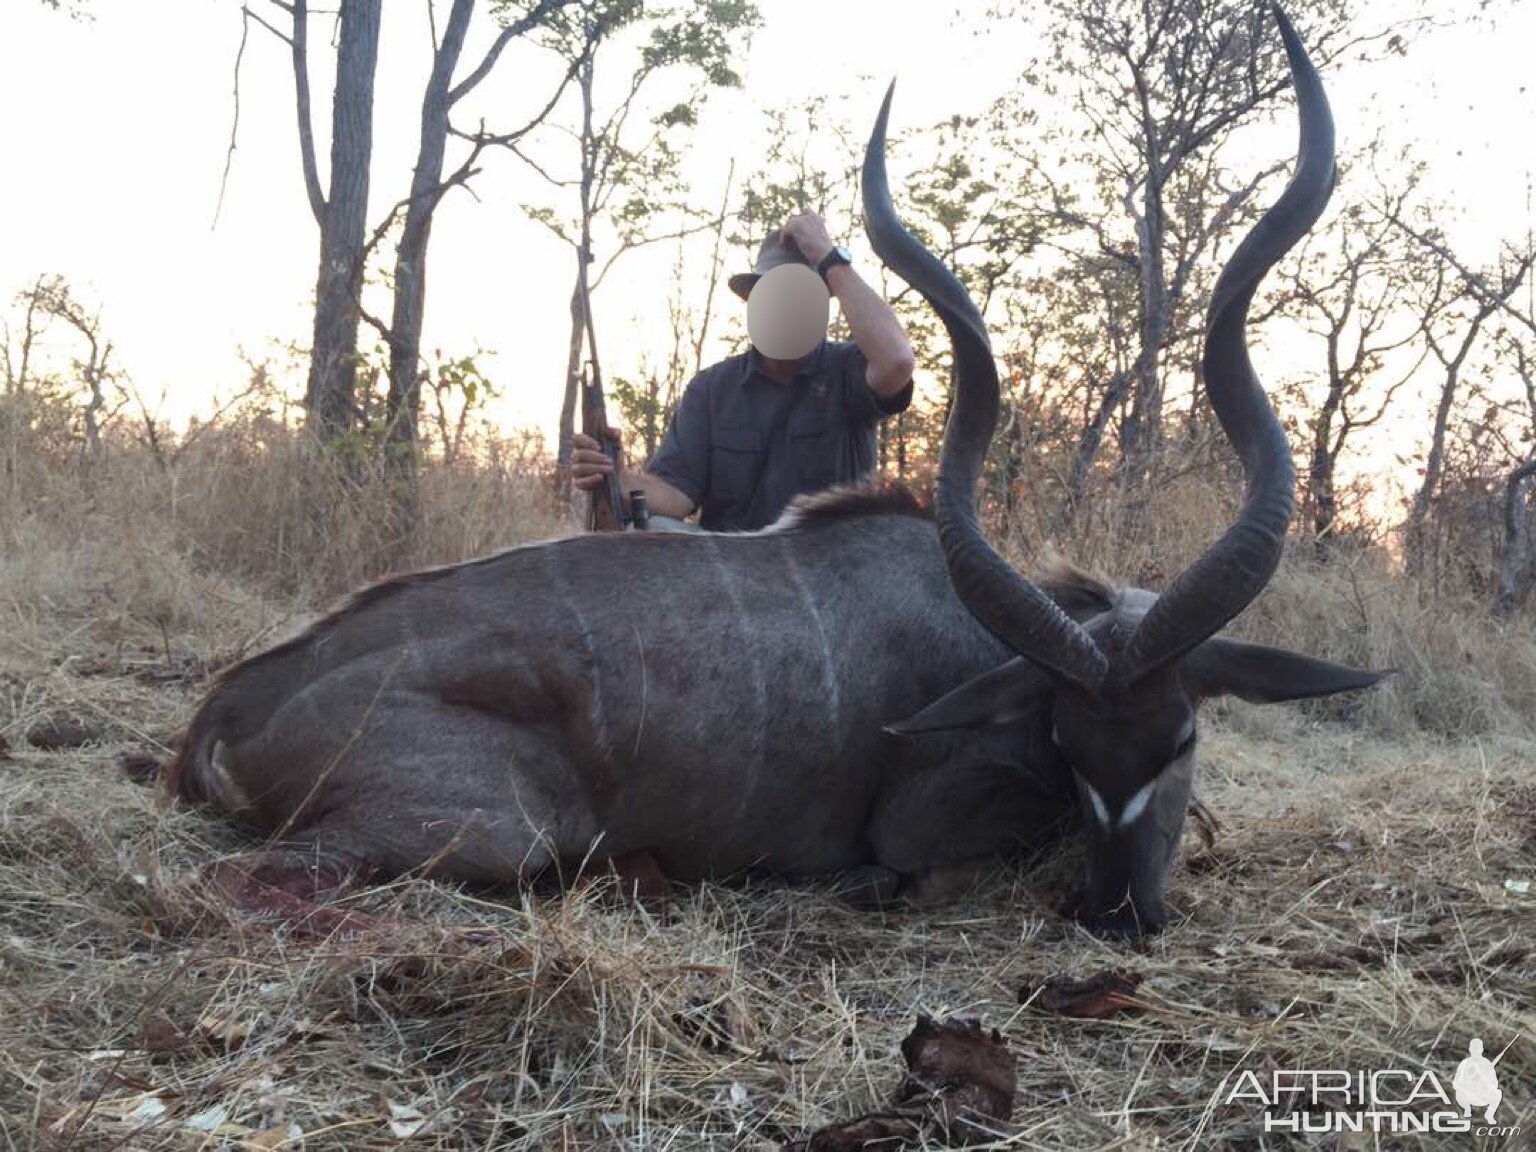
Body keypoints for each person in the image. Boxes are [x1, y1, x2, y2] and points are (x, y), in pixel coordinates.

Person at [571, 212, 916, 531]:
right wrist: (617, 476)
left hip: (830, 573)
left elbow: (898, 361)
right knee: (646, 531)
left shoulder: (849, 370)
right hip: (734, 575)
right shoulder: (711, 388)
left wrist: (829, 258)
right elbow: (675, 497)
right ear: (753, 299)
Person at [1452, 1038, 1503, 1123]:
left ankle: (1489, 1115)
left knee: (1497, 1094)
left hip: (1481, 1094)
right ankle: (1467, 1110)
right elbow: (1456, 1082)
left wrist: (1485, 1083)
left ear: (1482, 1049)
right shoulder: (1465, 1063)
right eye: (1474, 1048)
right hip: (1466, 1094)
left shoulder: (1486, 1063)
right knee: (1460, 1093)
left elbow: (1494, 1083)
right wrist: (1467, 1085)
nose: (1476, 1051)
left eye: (1478, 1048)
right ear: (1470, 1049)